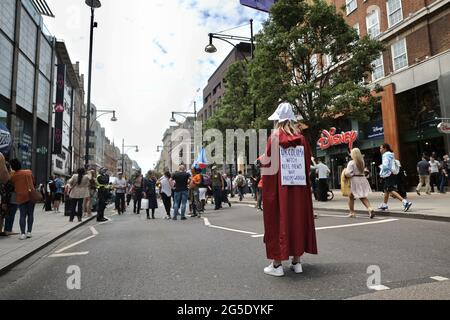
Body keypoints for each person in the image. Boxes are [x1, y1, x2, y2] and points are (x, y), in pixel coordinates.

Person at [261, 103, 318, 277]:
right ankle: (297, 262)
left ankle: (277, 265)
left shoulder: (274, 137)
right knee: (297, 220)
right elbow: (307, 164)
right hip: (298, 188)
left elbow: (269, 166)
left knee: (278, 220)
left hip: (280, 189)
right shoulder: (301, 138)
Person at [378, 144, 412, 212]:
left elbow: (386, 165)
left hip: (388, 174)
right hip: (392, 173)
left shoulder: (385, 155)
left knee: (390, 189)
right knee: (386, 190)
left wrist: (381, 168)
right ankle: (384, 205)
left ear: (385, 148)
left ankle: (405, 202)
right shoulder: (390, 154)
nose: (380, 149)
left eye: (381, 148)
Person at [10, 159, 36, 240]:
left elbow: (12, 186)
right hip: (31, 195)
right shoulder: (29, 172)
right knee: (30, 214)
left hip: (21, 196)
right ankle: (29, 232)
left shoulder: (13, 176)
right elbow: (34, 181)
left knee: (22, 215)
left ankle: (23, 234)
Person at [344, 148, 375, 219]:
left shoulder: (351, 162)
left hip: (355, 180)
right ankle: (369, 208)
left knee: (355, 196)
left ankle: (352, 212)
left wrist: (345, 174)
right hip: (362, 179)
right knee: (358, 195)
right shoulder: (362, 162)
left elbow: (348, 173)